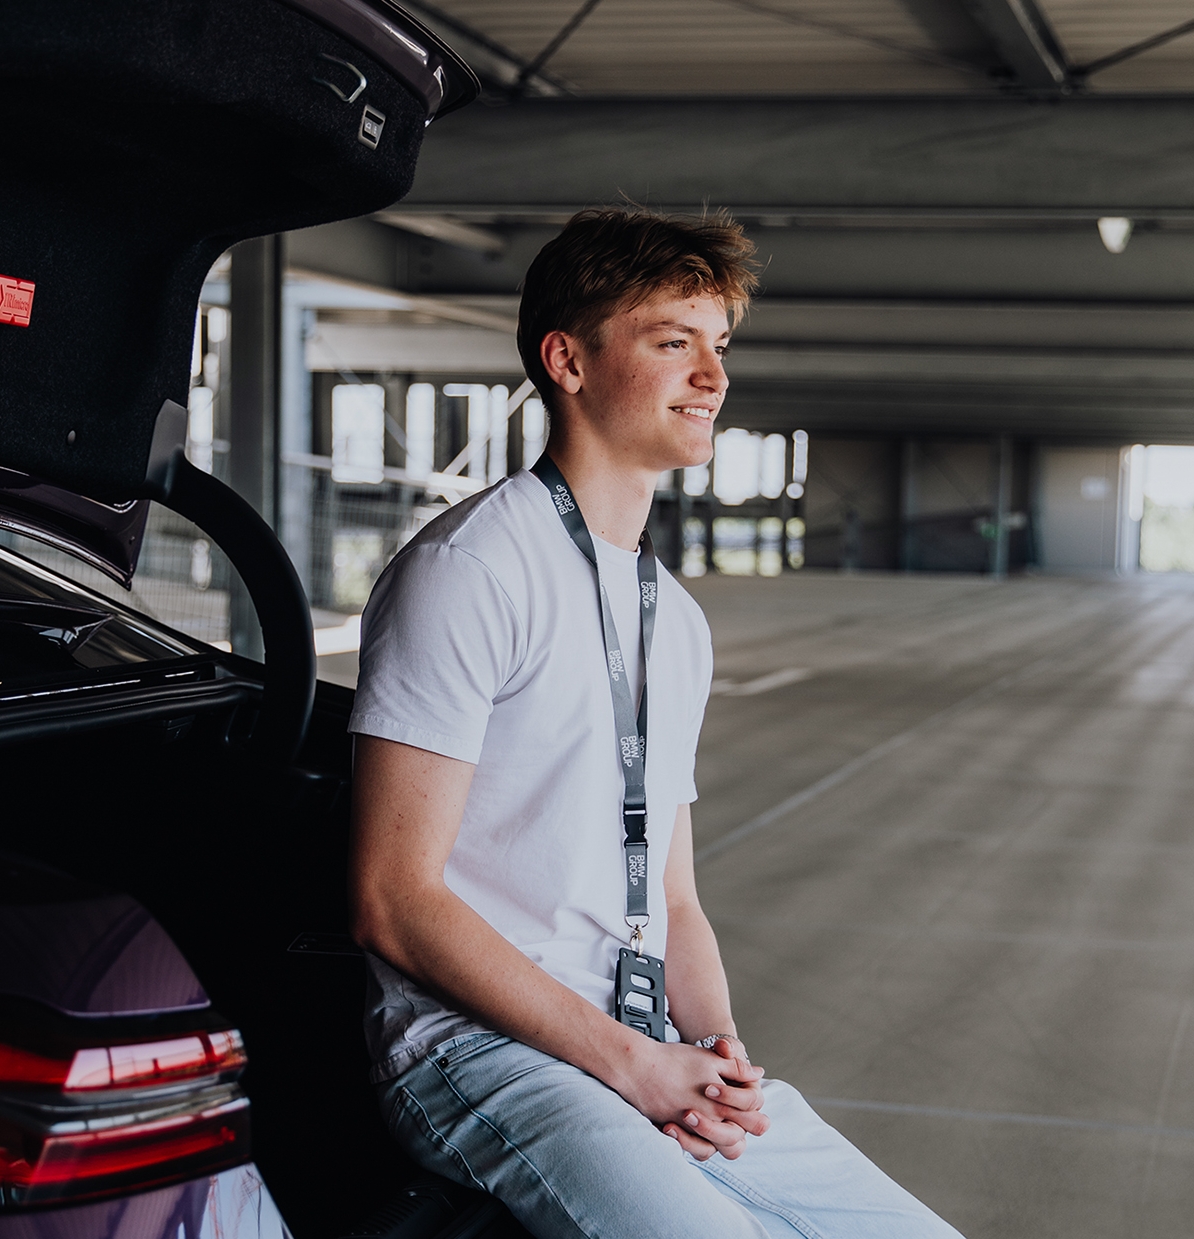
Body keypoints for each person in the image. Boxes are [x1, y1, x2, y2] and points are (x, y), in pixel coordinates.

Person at [348, 208, 965, 1239]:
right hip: (481, 1053)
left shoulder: (672, 619)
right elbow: (392, 900)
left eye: (718, 347)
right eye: (673, 341)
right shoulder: (471, 572)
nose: (713, 377)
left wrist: (716, 1055)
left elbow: (673, 900)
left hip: (645, 1040)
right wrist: (633, 1066)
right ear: (569, 362)